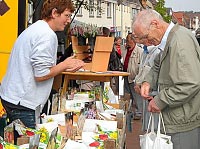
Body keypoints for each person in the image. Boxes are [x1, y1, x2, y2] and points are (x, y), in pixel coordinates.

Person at [0, 0, 85, 129]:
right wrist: (65, 64)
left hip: (15, 98)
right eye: (67, 15)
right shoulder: (47, 35)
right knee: (29, 143)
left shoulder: (36, 28)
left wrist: (63, 66)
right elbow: (41, 74)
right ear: (55, 13)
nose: (69, 20)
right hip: (23, 103)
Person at [132, 9, 200, 149]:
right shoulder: (169, 39)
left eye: (144, 37)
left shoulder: (179, 41)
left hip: (183, 123)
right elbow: (158, 63)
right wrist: (148, 81)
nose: (145, 43)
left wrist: (160, 100)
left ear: (155, 24)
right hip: (176, 119)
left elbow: (190, 83)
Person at [134, 45, 160, 131]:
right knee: (148, 122)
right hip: (147, 90)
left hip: (154, 92)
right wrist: (138, 83)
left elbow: (149, 70)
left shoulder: (157, 51)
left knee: (153, 125)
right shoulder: (146, 51)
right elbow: (142, 68)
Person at [122, 33, 143, 120]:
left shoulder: (139, 51)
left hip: (134, 76)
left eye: (128, 41)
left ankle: (139, 112)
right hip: (125, 75)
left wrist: (138, 78)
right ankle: (128, 111)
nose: (127, 43)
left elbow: (141, 65)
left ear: (133, 41)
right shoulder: (125, 50)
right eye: (126, 41)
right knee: (127, 94)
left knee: (136, 96)